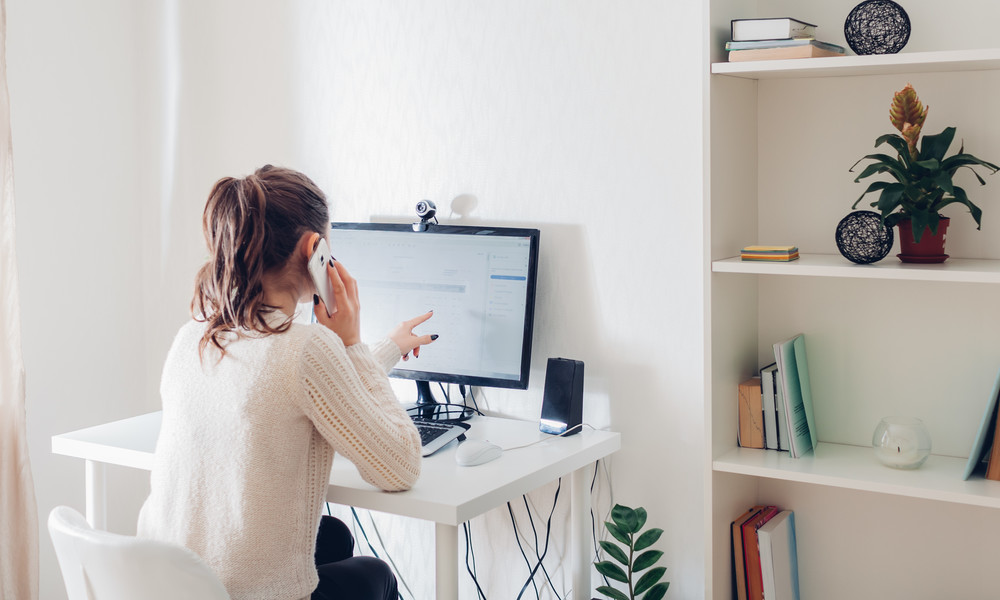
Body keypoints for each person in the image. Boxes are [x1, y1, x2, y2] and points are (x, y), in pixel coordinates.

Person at [137, 165, 434, 600]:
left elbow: (300, 387)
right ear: (314, 248)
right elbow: (401, 467)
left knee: (332, 537)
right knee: (375, 574)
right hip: (248, 593)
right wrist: (349, 341)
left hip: (171, 585)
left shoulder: (194, 336)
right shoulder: (307, 347)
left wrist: (385, 348)